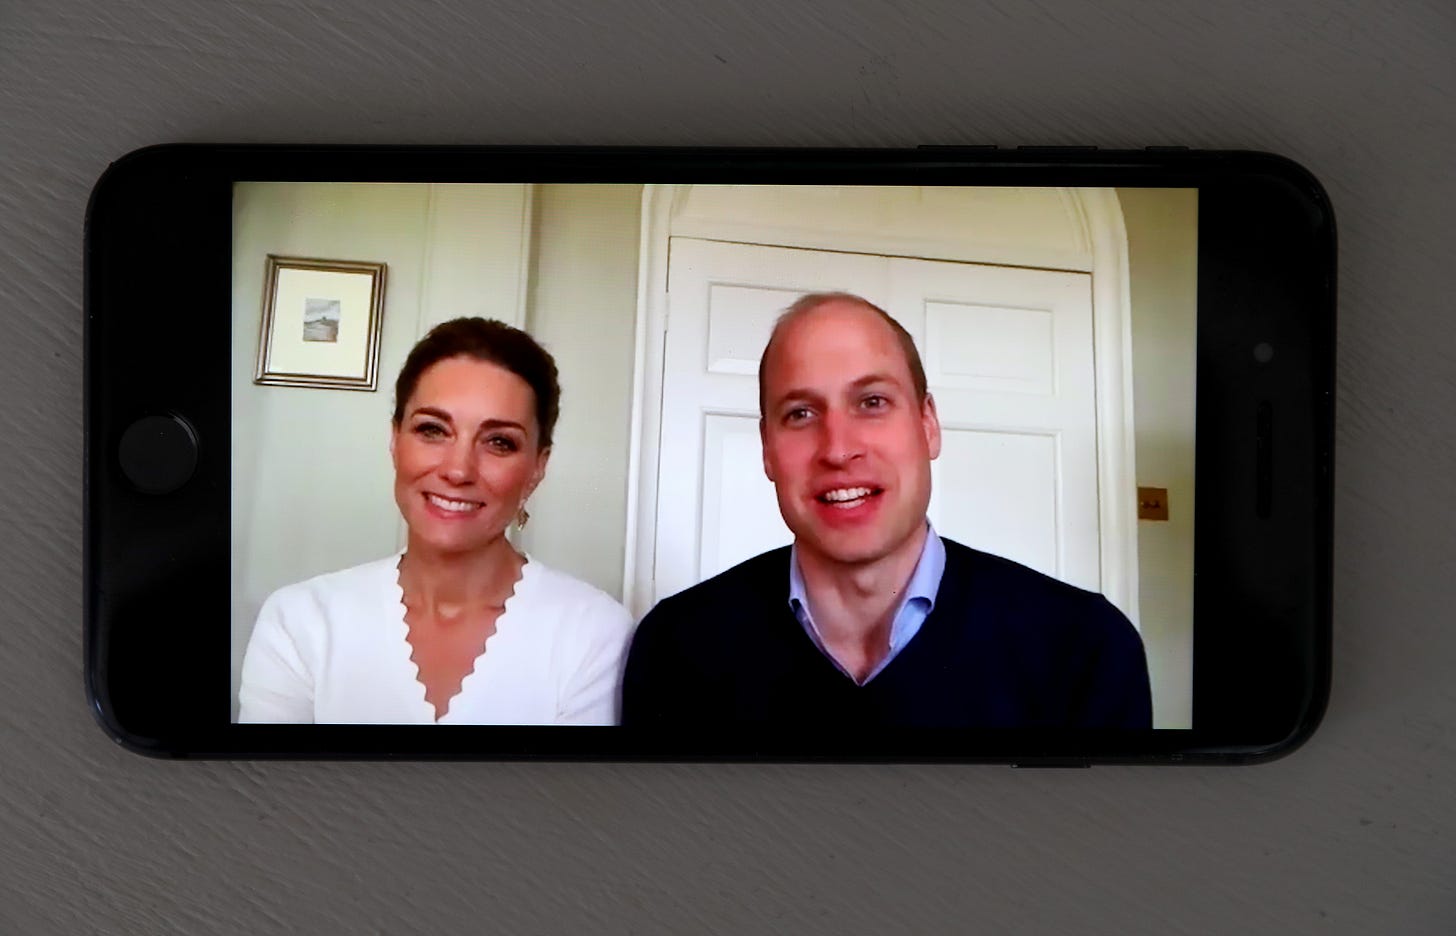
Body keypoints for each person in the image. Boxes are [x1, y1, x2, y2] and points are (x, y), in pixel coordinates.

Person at [622, 293, 1153, 729]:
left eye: (872, 402)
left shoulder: (1085, 647)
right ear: (766, 449)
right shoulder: (675, 647)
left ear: (928, 425)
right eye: (801, 413)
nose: (838, 448)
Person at [239, 318, 635, 724]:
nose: (458, 470)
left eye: (499, 442)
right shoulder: (300, 620)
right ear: (395, 440)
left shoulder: (594, 633)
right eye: (432, 430)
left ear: (537, 466)